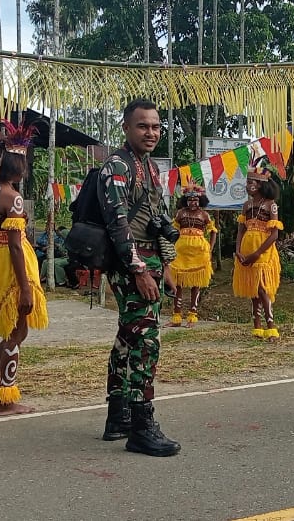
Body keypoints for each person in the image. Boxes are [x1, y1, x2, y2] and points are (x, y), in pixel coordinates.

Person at [97, 98, 181, 457]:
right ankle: (142, 426)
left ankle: (119, 416)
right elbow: (118, 224)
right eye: (143, 126)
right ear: (127, 128)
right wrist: (140, 270)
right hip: (131, 263)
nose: (151, 132)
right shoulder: (117, 166)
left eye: (156, 126)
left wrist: (166, 265)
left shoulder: (149, 166)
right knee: (146, 341)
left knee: (128, 337)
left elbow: (156, 218)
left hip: (150, 259)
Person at [0, 121, 49, 416]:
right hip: (10, 263)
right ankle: (6, 399)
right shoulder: (12, 198)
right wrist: (26, 288)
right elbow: (16, 246)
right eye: (23, 164)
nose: (25, 169)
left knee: (10, 332)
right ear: (16, 166)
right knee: (17, 332)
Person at [233, 164, 283, 341]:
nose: (247, 186)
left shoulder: (271, 205)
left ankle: (271, 327)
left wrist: (257, 254)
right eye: (247, 183)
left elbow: (274, 234)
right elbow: (241, 230)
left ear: (260, 184)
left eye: (250, 183)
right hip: (246, 250)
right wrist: (238, 251)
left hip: (263, 252)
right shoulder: (246, 205)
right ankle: (257, 326)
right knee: (253, 289)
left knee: (262, 288)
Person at [168, 184, 218, 327]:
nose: (193, 203)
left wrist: (210, 249)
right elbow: (173, 231)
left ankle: (192, 316)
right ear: (185, 200)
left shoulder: (204, 215)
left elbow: (213, 231)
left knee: (196, 284)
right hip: (181, 253)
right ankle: (177, 316)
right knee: (177, 283)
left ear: (200, 200)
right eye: (190, 200)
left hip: (199, 253)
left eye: (195, 200)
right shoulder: (180, 213)